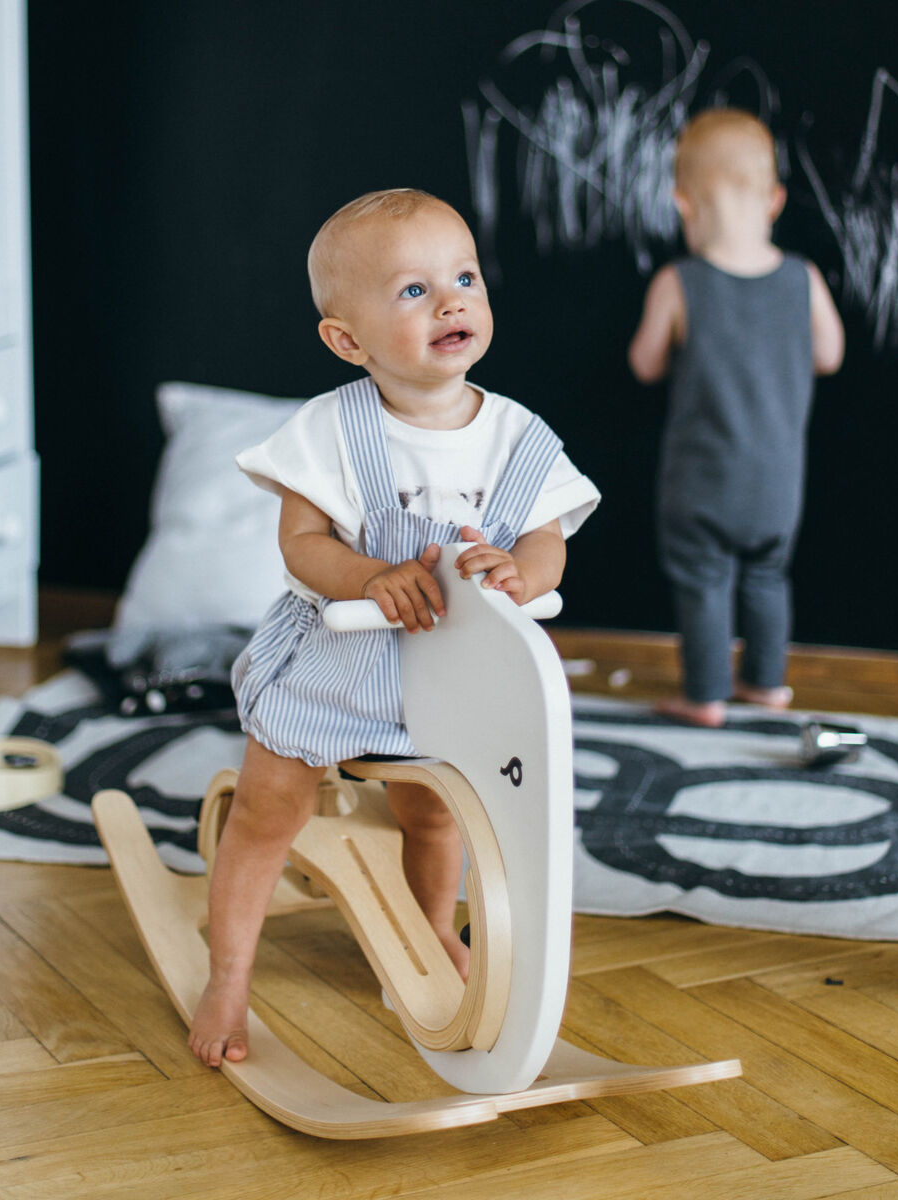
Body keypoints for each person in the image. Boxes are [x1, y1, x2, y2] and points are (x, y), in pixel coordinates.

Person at [189, 189, 600, 1067]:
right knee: (269, 811)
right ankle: (227, 975)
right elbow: (300, 543)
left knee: (437, 813)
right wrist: (370, 576)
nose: (451, 301)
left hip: (449, 664)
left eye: (463, 278)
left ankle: (421, 934)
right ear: (349, 340)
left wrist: (526, 572)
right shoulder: (334, 429)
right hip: (336, 657)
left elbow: (548, 534)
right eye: (413, 291)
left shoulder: (518, 436)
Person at [628, 108, 845, 728]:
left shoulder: (678, 281)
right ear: (775, 200)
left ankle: (704, 695)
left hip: (699, 483)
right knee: (768, 577)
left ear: (683, 203)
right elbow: (831, 354)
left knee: (703, 581)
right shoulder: (803, 279)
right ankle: (768, 683)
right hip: (778, 482)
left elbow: (644, 364)